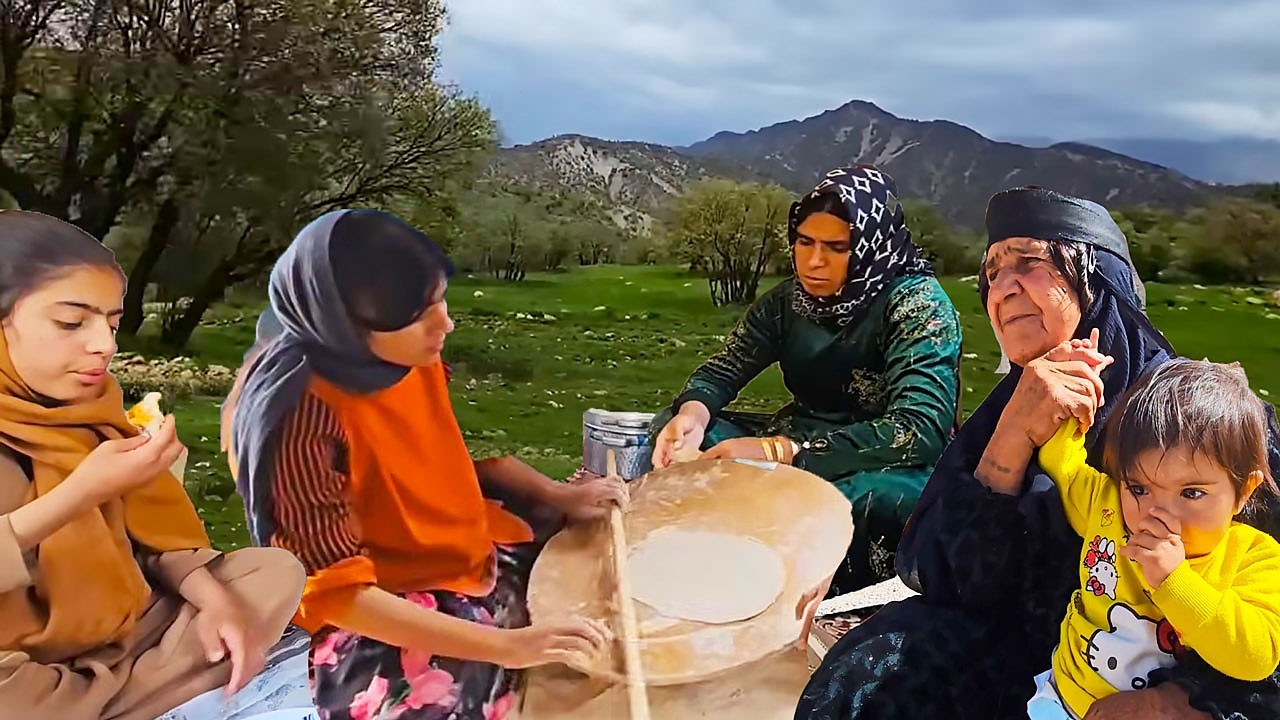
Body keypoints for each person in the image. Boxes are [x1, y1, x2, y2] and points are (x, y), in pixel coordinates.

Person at [798, 187, 1280, 720]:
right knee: (871, 675)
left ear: (1093, 282)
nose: (1000, 289)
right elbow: (956, 583)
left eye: (1028, 262)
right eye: (991, 272)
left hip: (1163, 672)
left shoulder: (1201, 423)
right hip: (1040, 664)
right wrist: (1013, 436)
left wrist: (1181, 701)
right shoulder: (1012, 403)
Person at [228, 209, 627, 720]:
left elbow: (437, 466)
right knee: (435, 698)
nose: (446, 324)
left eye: (439, 301)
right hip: (383, 601)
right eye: (418, 314)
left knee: (601, 566)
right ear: (346, 323)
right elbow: (338, 595)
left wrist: (557, 496)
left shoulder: (402, 359)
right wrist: (512, 647)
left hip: (465, 550)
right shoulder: (300, 416)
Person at [0, 210, 305, 720]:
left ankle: (107, 701)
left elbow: (156, 542)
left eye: (112, 323)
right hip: (17, 660)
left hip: (123, 630)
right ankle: (145, 698)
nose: (105, 345)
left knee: (272, 573)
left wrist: (215, 602)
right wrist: (82, 492)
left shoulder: (94, 412)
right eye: (72, 322)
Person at [650, 165, 962, 596]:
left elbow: (920, 429)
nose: (814, 261)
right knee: (677, 430)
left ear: (869, 246)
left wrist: (779, 452)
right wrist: (692, 416)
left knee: (869, 503)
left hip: (885, 459)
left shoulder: (917, 306)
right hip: (797, 435)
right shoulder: (788, 302)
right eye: (804, 242)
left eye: (836, 247)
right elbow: (725, 369)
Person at [1028, 351, 1280, 719]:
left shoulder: (1253, 557)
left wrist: (1174, 581)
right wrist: (1078, 402)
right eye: (1140, 488)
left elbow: (1256, 657)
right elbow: (1061, 464)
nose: (1156, 514)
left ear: (1243, 491)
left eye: (1191, 493)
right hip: (1059, 700)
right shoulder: (1109, 508)